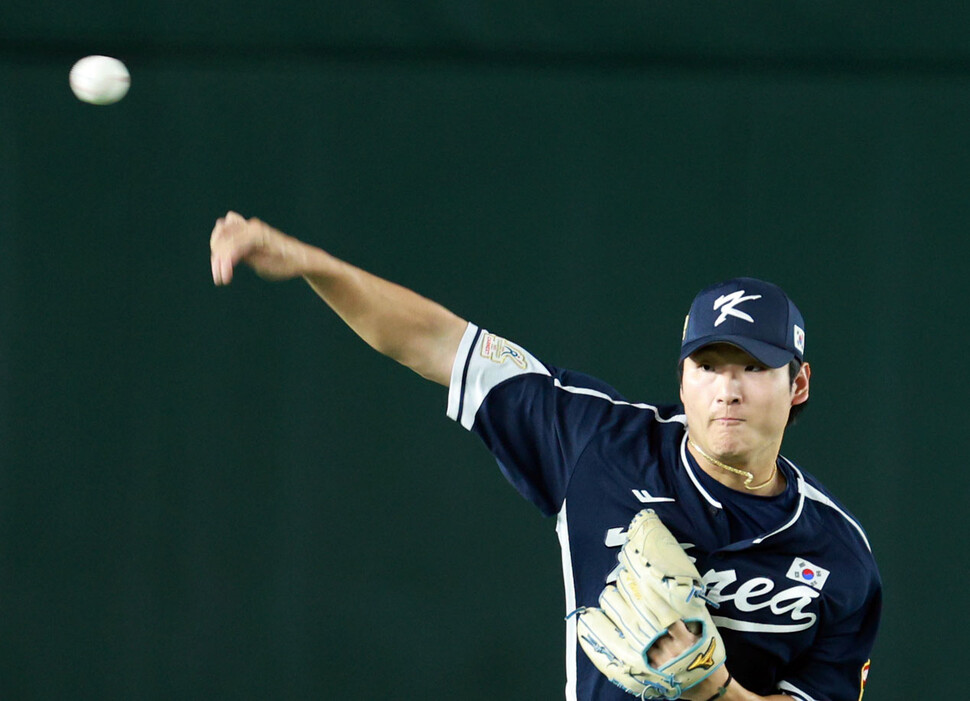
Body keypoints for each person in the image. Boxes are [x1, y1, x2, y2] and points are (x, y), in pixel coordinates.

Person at [209, 212, 881, 701]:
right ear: (682, 380)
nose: (727, 388)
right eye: (709, 364)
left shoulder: (840, 556)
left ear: (797, 384)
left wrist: (714, 689)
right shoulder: (601, 445)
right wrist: (315, 265)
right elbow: (440, 345)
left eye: (753, 366)